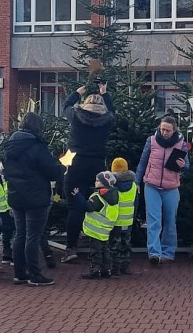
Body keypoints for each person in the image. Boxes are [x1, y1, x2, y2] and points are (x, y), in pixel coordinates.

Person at [3, 112, 65, 287]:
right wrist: (61, 167)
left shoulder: (10, 146)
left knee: (20, 234)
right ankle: (35, 274)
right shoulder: (37, 146)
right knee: (33, 235)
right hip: (36, 196)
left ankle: (19, 274)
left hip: (16, 195)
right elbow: (52, 171)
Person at [61, 82, 115, 263]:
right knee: (98, 205)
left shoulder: (76, 116)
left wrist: (76, 93)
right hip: (97, 167)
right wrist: (105, 93)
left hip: (75, 165)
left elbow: (65, 106)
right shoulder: (107, 120)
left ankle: (70, 248)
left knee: (74, 208)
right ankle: (98, 244)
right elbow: (113, 111)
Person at [135, 115, 189, 265]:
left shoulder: (181, 144)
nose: (164, 132)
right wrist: (137, 182)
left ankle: (168, 252)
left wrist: (182, 165)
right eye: (162, 129)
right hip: (151, 186)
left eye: (168, 130)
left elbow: (187, 166)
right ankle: (154, 253)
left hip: (171, 188)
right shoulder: (151, 141)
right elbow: (142, 162)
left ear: (174, 130)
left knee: (170, 221)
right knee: (153, 221)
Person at [71, 171, 119, 279]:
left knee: (95, 251)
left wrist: (78, 196)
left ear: (104, 183)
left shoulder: (98, 197)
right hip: (105, 230)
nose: (95, 182)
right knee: (105, 250)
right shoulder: (113, 195)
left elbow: (88, 207)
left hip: (95, 230)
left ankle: (95, 270)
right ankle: (106, 270)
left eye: (98, 181)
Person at [109, 157, 137, 276]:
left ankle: (115, 269)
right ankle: (126, 267)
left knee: (115, 246)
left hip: (115, 221)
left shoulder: (112, 187)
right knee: (126, 245)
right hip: (128, 221)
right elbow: (136, 203)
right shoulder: (134, 186)